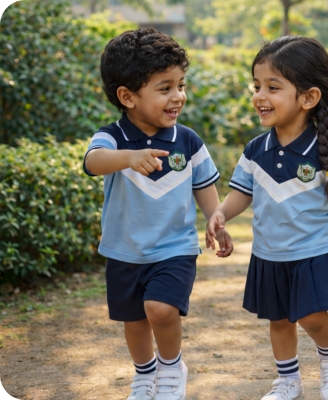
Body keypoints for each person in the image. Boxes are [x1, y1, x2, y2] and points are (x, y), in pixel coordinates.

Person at [206, 36, 328, 400]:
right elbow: (242, 193)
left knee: (312, 317)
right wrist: (221, 213)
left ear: (308, 97)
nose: (260, 96)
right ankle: (288, 381)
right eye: (256, 86)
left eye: (272, 87)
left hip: (314, 252)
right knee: (279, 320)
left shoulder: (326, 151)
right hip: (268, 253)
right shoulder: (256, 149)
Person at [83, 28, 233, 400]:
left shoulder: (188, 140)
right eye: (165, 88)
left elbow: (203, 185)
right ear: (127, 96)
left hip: (175, 247)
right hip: (125, 250)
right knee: (134, 321)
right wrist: (129, 158)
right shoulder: (113, 137)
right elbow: (93, 162)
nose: (178, 96)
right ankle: (144, 373)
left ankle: (170, 369)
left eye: (181, 85)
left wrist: (216, 219)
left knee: (161, 309)